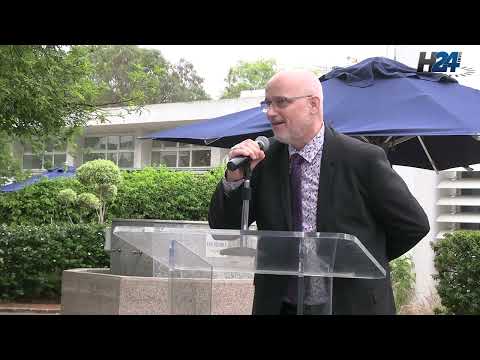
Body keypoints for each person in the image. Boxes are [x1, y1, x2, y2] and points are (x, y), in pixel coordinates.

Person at [208, 70, 430, 315]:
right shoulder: (262, 161)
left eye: (281, 102)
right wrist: (234, 179)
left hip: (351, 306)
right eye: (267, 103)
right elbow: (224, 230)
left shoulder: (361, 158)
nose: (271, 112)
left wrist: (362, 260)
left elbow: (413, 225)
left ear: (313, 104)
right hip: (280, 306)